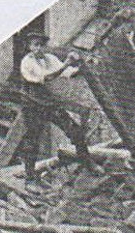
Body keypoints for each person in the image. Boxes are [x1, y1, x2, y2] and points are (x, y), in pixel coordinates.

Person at [17, 34, 94, 169]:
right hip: (32, 105)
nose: (39, 48)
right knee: (32, 140)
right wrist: (66, 63)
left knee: (75, 131)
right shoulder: (27, 62)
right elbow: (48, 77)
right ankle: (30, 178)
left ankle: (87, 162)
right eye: (35, 45)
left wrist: (83, 64)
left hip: (49, 104)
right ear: (29, 47)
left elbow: (68, 72)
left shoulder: (50, 58)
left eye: (41, 45)